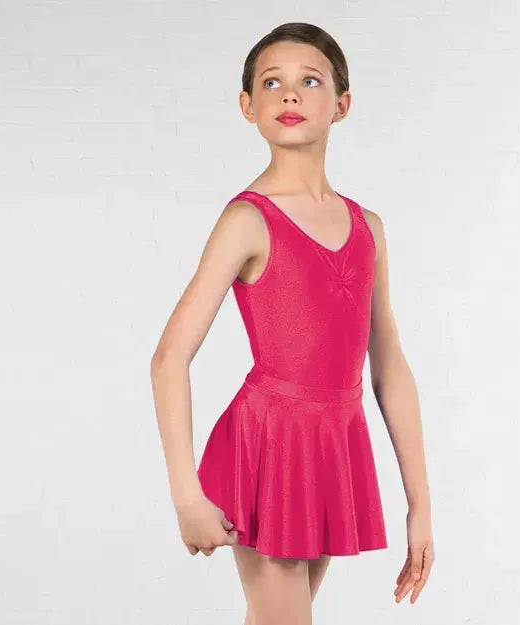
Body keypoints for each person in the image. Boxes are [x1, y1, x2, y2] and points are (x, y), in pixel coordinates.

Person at [150, 21, 434, 624]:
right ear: (247, 106)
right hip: (267, 448)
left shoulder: (368, 228)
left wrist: (421, 507)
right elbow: (169, 358)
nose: (290, 94)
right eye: (271, 83)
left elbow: (389, 367)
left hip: (331, 446)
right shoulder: (247, 221)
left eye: (310, 81)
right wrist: (185, 495)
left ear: (342, 105)